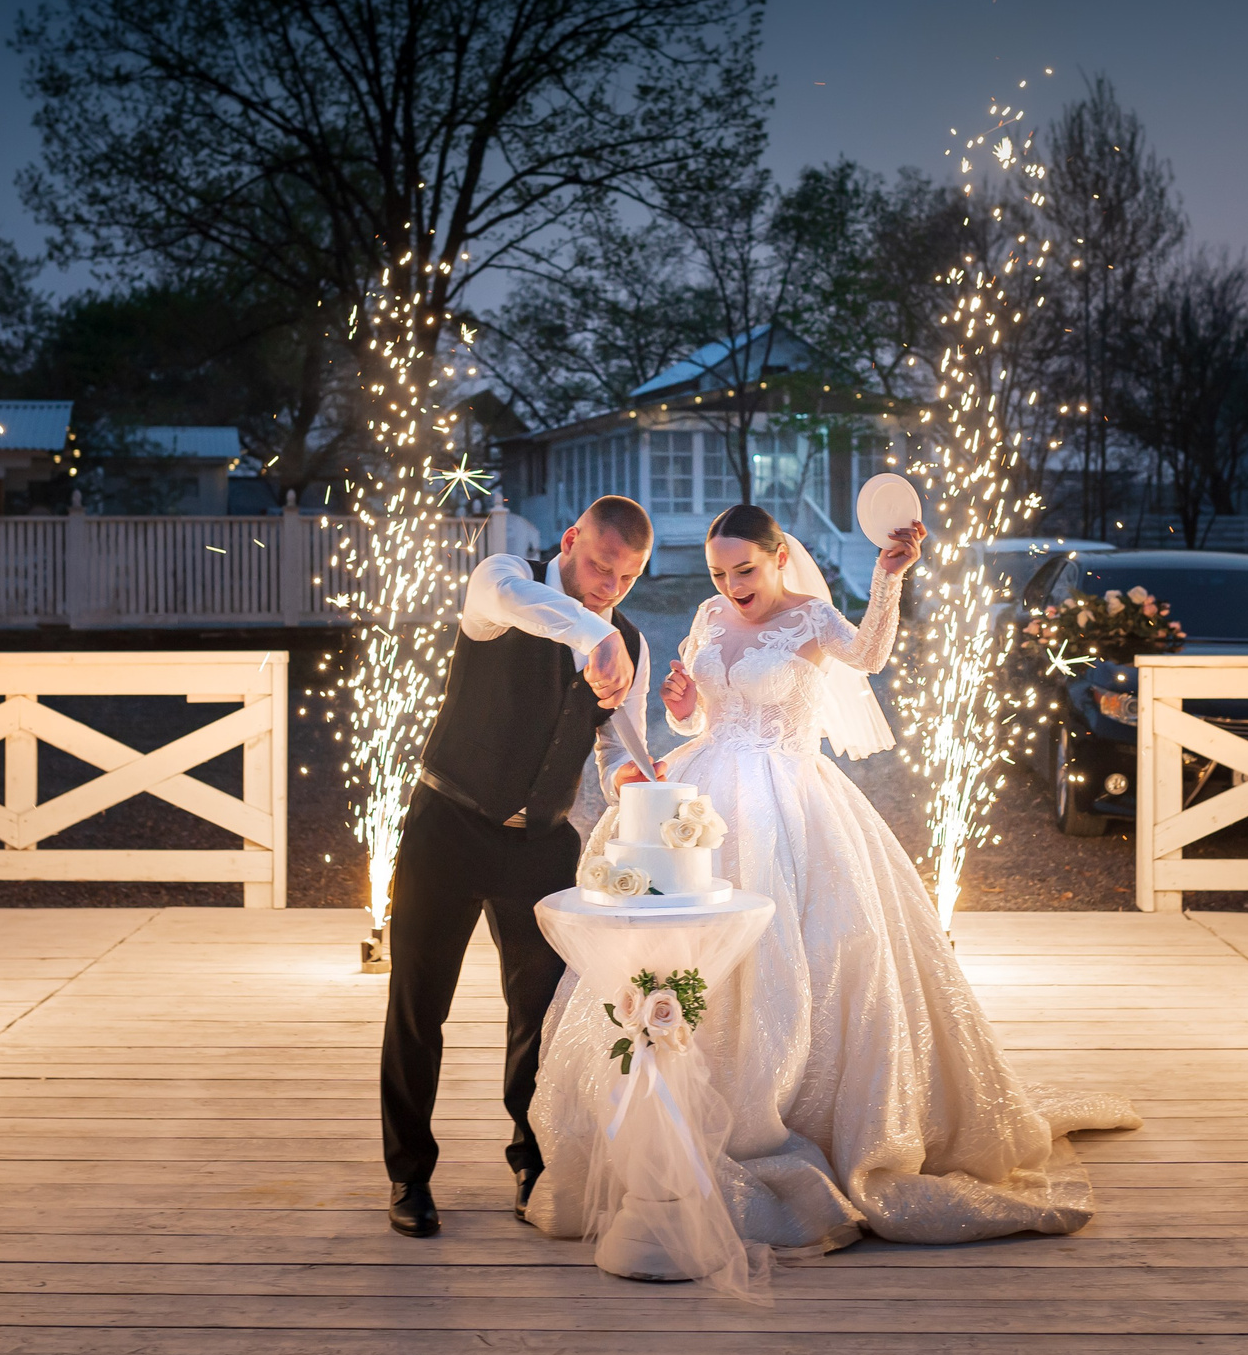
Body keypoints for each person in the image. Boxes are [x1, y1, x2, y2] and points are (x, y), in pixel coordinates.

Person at [526, 502, 1139, 1257]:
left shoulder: (812, 618)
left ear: (778, 557)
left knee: (814, 949)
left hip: (792, 800)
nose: (731, 584)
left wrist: (889, 579)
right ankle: (674, 1121)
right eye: (719, 571)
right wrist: (685, 708)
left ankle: (806, 1117)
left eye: (744, 569)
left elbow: (872, 656)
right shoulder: (711, 616)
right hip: (710, 792)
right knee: (693, 945)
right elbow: (695, 721)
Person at [379, 495, 663, 1238]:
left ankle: (532, 1161)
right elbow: (518, 599)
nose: (610, 586)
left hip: (541, 844)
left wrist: (638, 774)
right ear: (569, 540)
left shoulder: (626, 638)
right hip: (446, 825)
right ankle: (409, 1174)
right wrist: (594, 630)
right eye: (600, 563)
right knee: (419, 1007)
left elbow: (610, 754)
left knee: (541, 1014)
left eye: (627, 577)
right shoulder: (502, 582)